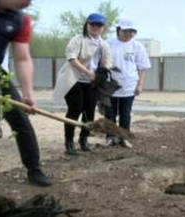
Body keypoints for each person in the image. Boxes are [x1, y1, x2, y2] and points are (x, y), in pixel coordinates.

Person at [0, 0, 51, 186]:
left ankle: (34, 169)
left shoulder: (21, 20)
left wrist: (28, 94)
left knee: (20, 118)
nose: (29, 2)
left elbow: (22, 58)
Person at [53, 13, 111, 155]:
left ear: (103, 27)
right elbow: (72, 58)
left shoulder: (104, 44)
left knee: (89, 111)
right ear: (87, 25)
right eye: (93, 24)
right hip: (74, 79)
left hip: (91, 83)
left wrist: (102, 74)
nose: (95, 27)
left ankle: (84, 140)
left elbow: (107, 62)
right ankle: (69, 142)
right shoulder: (78, 40)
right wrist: (87, 72)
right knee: (75, 109)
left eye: (99, 25)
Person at [105, 19, 151, 147]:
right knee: (110, 113)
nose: (129, 34)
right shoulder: (108, 44)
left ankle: (124, 137)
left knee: (125, 113)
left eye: (132, 31)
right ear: (119, 30)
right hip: (111, 85)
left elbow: (142, 67)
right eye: (126, 31)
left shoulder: (137, 46)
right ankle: (111, 137)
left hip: (129, 85)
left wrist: (140, 84)